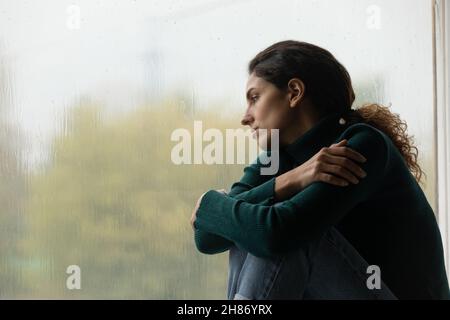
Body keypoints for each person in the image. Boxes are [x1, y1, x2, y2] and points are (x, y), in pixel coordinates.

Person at [191, 40, 450, 300]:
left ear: (294, 92)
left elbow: (277, 235)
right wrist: (289, 180)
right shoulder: (277, 158)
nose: (245, 116)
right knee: (244, 229)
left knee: (286, 235)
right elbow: (207, 237)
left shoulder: (359, 146)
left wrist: (209, 204)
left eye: (255, 98)